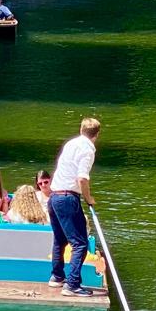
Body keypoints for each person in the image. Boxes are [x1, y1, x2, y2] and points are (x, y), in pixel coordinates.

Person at [48, 117, 101, 297]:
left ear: (81, 130)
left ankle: (56, 277)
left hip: (54, 197)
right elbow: (82, 178)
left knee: (60, 239)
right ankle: (72, 285)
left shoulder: (71, 144)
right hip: (67, 198)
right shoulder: (88, 149)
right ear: (97, 134)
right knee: (80, 243)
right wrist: (88, 198)